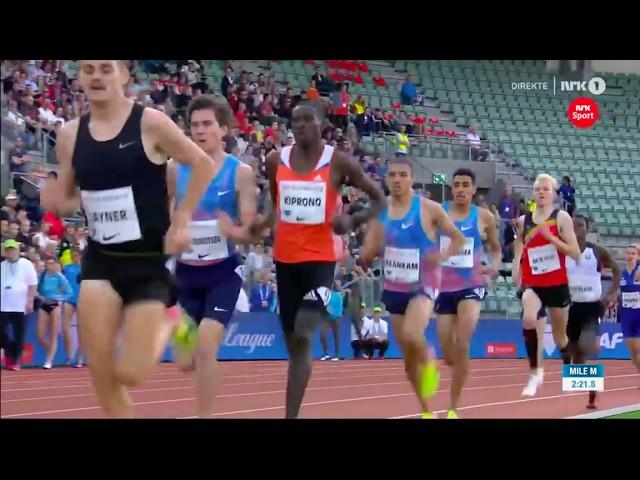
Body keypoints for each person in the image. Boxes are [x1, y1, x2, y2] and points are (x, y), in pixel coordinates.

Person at [40, 60, 216, 417]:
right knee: (101, 372)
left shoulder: (150, 123)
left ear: (124, 75)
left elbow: (201, 164)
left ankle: (173, 320)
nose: (96, 76)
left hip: (147, 264)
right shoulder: (70, 134)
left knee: (131, 373)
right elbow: (72, 194)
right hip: (100, 260)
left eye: (106, 68)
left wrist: (181, 219)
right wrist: (58, 200)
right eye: (88, 68)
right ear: (80, 76)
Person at [244, 102, 386, 418]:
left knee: (306, 331)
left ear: (321, 122)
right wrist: (261, 226)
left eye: (307, 119)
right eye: (295, 120)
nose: (300, 125)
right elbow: (276, 208)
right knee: (295, 347)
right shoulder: (274, 160)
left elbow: (379, 199)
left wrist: (352, 221)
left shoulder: (338, 162)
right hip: (285, 261)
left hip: (320, 262)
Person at [167, 94, 259, 418]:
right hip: (185, 273)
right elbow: (168, 218)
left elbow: (249, 230)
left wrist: (229, 229)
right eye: (194, 125)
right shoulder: (175, 169)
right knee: (184, 361)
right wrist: (173, 233)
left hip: (223, 271)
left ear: (223, 129)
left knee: (207, 345)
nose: (200, 131)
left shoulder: (240, 172)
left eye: (207, 124)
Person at [361, 157, 465, 419]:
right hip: (395, 285)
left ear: (412, 179)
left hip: (425, 283)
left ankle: (430, 358)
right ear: (385, 178)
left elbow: (458, 238)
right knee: (408, 364)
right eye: (392, 175)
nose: (397, 180)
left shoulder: (428, 209)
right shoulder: (379, 210)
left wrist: (441, 257)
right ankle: (426, 410)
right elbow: (369, 249)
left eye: (403, 175)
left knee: (411, 333)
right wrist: (367, 253)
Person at [434, 168, 502, 419]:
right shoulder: (439, 213)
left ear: (474, 189)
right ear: (452, 189)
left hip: (472, 285)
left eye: (465, 184)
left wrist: (493, 267)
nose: (461, 189)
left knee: (463, 339)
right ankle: (454, 360)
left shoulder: (484, 217)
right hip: (444, 288)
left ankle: (453, 407)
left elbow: (495, 249)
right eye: (457, 185)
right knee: (448, 350)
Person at [513, 174, 581, 397]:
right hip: (534, 284)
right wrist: (517, 272)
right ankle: (535, 373)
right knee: (529, 318)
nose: (540, 192)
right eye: (537, 189)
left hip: (557, 284)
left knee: (561, 338)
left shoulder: (561, 218)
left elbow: (575, 253)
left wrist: (551, 239)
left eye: (545, 189)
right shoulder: (524, 221)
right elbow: (519, 253)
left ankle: (570, 370)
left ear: (553, 194)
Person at [566, 215, 620, 409]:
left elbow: (616, 269)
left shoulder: (597, 251)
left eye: (580, 225)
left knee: (585, 345)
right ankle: (591, 392)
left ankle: (592, 343)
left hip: (592, 306)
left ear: (587, 230)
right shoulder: (561, 251)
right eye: (572, 225)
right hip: (569, 308)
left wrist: (614, 291)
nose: (575, 228)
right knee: (575, 358)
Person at [0, 239, 37, 370]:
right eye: (7, 249)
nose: (10, 252)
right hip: (3, 305)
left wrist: (30, 301)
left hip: (20, 305)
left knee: (19, 334)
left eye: (12, 249)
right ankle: (10, 353)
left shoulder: (26, 263)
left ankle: (14, 360)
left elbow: (32, 283)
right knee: (2, 333)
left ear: (17, 250)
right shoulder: (2, 265)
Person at [36, 256, 73, 369]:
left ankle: (49, 360)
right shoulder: (42, 276)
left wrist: (60, 299)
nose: (50, 265)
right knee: (40, 335)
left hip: (55, 305)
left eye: (52, 263)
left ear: (56, 264)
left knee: (53, 334)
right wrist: (41, 297)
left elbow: (69, 292)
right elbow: (37, 290)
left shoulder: (59, 277)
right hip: (44, 305)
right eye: (48, 263)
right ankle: (50, 351)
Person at [62, 247, 84, 367]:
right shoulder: (67, 268)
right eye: (72, 255)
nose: (74, 258)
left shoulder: (86, 268)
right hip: (69, 299)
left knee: (82, 330)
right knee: (64, 326)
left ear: (80, 256)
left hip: (82, 299)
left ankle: (80, 358)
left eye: (76, 255)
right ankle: (70, 355)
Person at [620, 245, 640, 378]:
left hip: (638, 314)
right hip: (626, 315)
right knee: (632, 352)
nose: (630, 256)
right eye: (628, 253)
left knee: (638, 349)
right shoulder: (621, 273)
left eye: (633, 253)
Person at [320, 279, 344, 361]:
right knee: (322, 334)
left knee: (336, 336)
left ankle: (336, 355)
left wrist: (336, 314)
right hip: (326, 318)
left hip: (335, 318)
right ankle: (326, 353)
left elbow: (339, 307)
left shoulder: (338, 295)